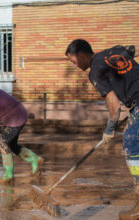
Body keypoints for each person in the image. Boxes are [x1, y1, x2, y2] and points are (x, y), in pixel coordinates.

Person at [65, 39, 139, 220]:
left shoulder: (95, 71)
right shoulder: (113, 52)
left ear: (82, 56)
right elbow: (129, 50)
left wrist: (110, 128)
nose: (74, 66)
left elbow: (113, 104)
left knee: (131, 146)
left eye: (73, 61)